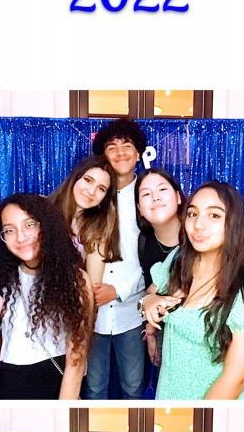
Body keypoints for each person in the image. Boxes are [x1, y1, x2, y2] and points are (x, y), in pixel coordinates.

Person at [141, 181, 244, 400]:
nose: (198, 225)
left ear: (233, 223)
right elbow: (150, 294)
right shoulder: (178, 259)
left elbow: (236, 379)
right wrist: (148, 301)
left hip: (216, 413)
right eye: (193, 214)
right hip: (170, 399)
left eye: (214, 215)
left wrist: (195, 421)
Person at [0, 192, 93, 399]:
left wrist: (64, 410)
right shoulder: (0, 280)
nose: (20, 237)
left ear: (46, 226)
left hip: (52, 385)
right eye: (9, 230)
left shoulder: (75, 280)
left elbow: (76, 359)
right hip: (4, 387)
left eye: (29, 225)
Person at [85, 119, 147, 398]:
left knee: (133, 386)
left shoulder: (149, 196)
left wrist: (118, 289)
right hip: (92, 312)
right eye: (112, 147)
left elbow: (157, 256)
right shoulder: (92, 197)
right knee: (93, 386)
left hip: (131, 311)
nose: (120, 152)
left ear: (138, 154)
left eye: (127, 145)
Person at [134, 167, 186, 369]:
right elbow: (149, 295)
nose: (155, 197)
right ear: (139, 208)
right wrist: (151, 332)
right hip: (163, 335)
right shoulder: (144, 242)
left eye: (162, 189)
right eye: (146, 194)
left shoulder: (198, 236)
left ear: (178, 197)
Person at [50, 155, 121, 284]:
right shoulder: (42, 210)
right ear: (76, 178)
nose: (91, 191)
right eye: (88, 180)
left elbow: (94, 285)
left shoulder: (97, 233)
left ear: (104, 198)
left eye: (101, 189)